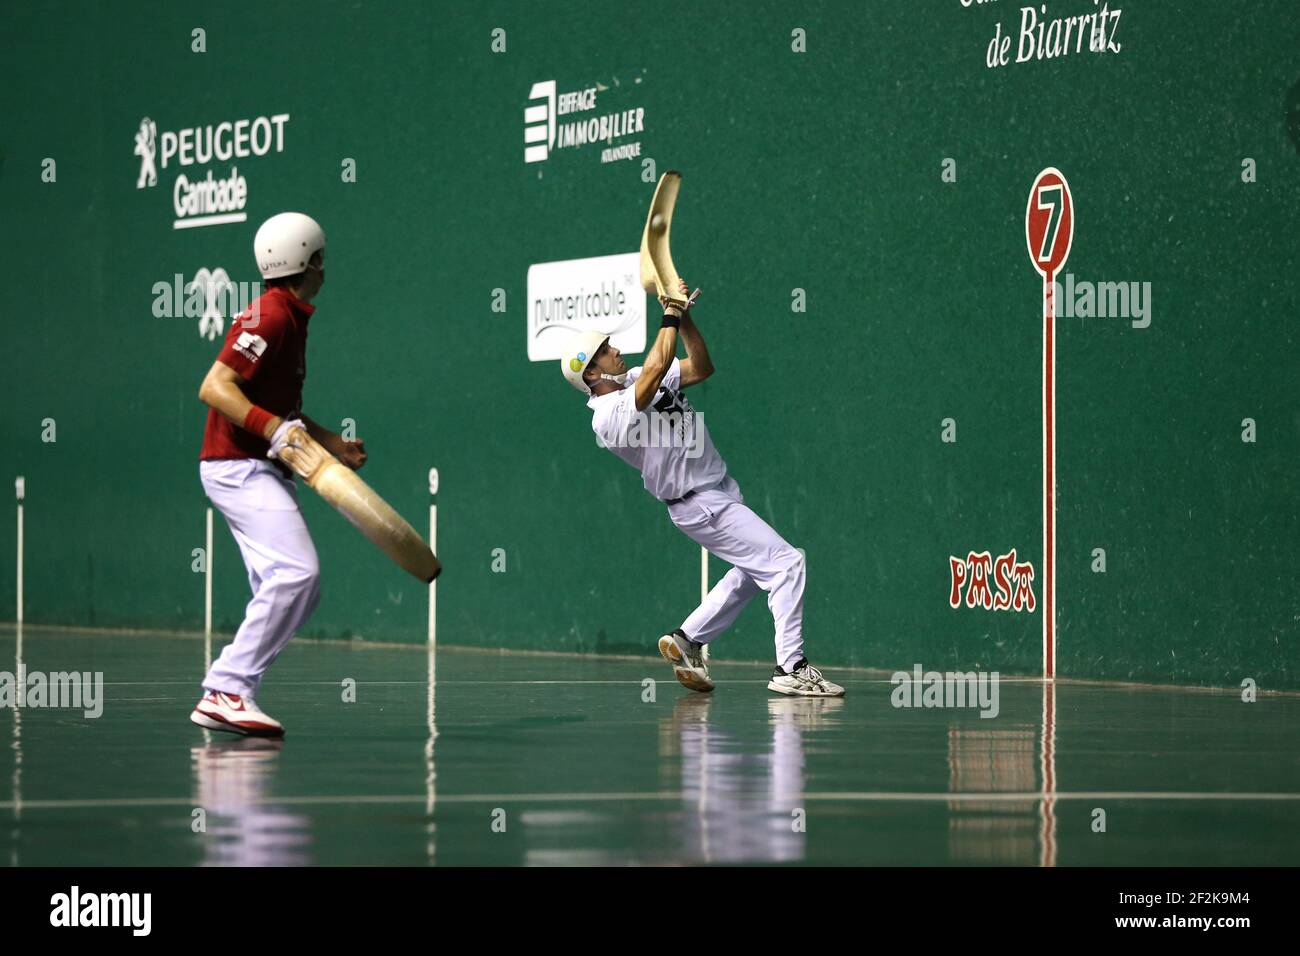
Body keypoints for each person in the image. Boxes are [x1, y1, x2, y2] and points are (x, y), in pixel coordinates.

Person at [560, 279, 844, 697]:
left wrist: (686, 319)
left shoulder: (636, 377)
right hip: (699, 502)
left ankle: (688, 639)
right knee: (787, 563)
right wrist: (669, 312)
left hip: (719, 490)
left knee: (752, 572)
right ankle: (791, 666)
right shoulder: (607, 416)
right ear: (592, 372)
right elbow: (657, 369)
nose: (616, 350)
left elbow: (700, 367)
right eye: (605, 350)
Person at [190, 212, 366, 736]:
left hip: (251, 465)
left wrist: (329, 442)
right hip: (235, 467)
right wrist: (273, 430)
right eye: (322, 258)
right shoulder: (269, 315)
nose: (325, 268)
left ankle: (233, 691)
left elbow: (278, 405)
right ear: (310, 261)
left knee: (292, 585)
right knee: (297, 574)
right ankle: (226, 689)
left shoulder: (289, 316)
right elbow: (216, 387)